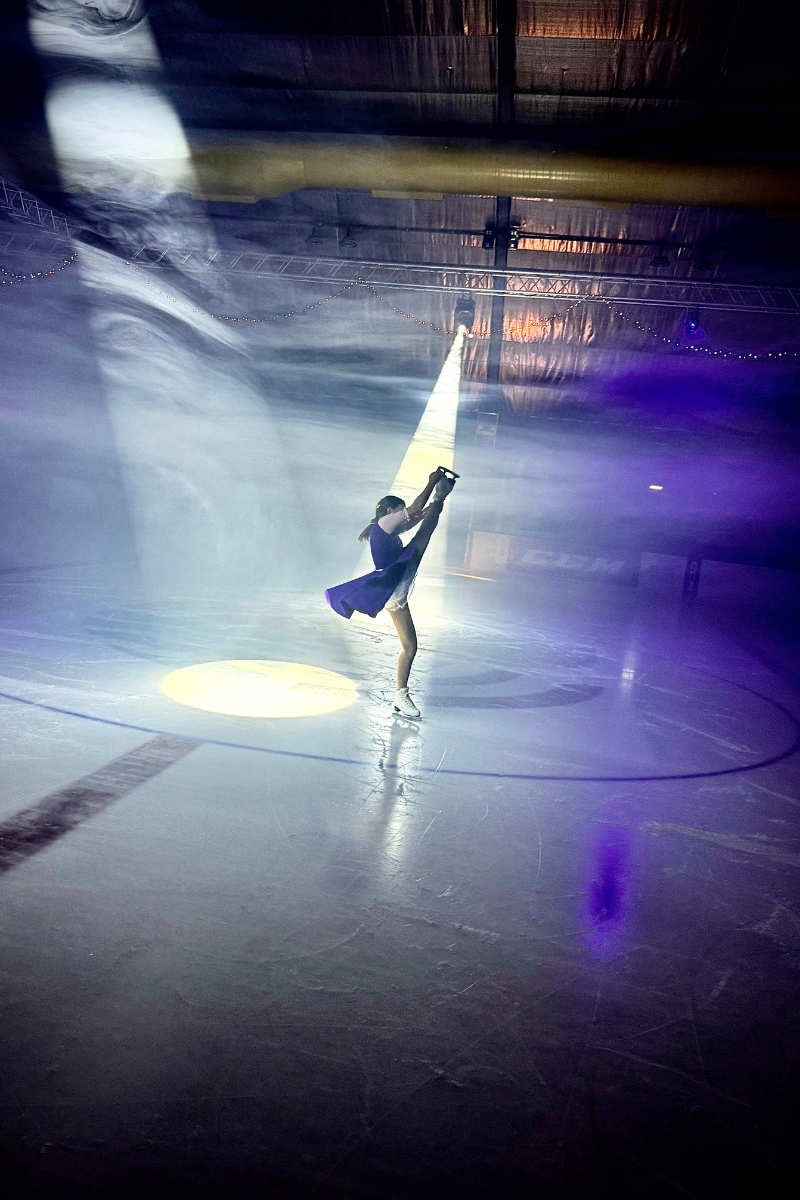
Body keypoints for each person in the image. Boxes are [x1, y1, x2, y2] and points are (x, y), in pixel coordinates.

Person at [325, 468, 456, 718]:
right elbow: (418, 508)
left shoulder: (387, 529)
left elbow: (419, 514)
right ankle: (401, 695)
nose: (403, 513)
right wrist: (431, 485)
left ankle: (400, 697)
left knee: (410, 647)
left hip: (396, 584)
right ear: (388, 512)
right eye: (400, 509)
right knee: (423, 535)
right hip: (394, 582)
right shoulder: (383, 524)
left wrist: (436, 502)